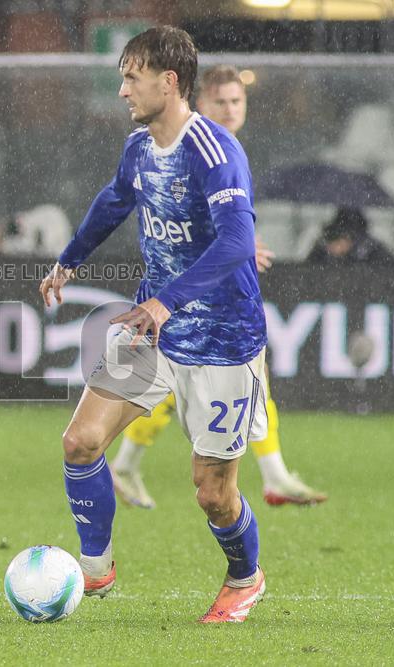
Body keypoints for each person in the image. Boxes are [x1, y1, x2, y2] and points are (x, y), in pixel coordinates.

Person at [40, 27, 268, 623]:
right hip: (151, 329)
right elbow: (115, 199)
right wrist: (69, 260)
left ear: (168, 82)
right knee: (80, 441)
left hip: (221, 340)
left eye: (131, 77)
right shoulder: (141, 147)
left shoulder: (214, 151)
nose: (122, 90)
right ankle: (94, 570)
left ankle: (245, 577)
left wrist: (169, 300)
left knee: (213, 495)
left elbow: (239, 241)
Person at [109, 64, 328, 510]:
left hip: (213, 291)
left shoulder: (220, 145)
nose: (230, 110)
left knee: (244, 382)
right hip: (190, 292)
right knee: (194, 383)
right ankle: (126, 464)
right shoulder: (194, 145)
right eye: (221, 102)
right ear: (199, 102)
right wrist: (237, 244)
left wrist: (242, 241)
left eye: (237, 102)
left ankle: (272, 475)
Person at [307, 206, 394, 264]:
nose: (330, 248)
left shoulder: (371, 252)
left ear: (347, 238)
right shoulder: (321, 252)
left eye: (334, 242)